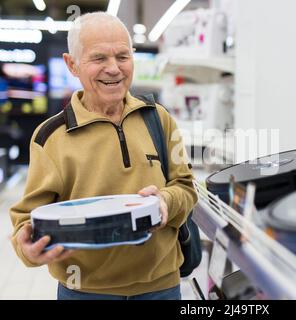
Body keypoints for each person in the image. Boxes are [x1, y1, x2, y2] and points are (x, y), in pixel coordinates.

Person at [9, 12, 197, 300]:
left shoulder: (158, 119)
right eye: (99, 58)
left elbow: (185, 188)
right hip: (86, 291)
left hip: (161, 287)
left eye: (123, 56)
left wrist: (165, 202)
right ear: (72, 64)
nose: (114, 69)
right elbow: (27, 218)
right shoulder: (50, 137)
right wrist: (28, 249)